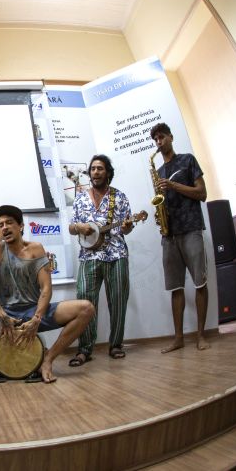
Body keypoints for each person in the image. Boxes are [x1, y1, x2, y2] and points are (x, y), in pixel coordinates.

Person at [0, 205, 95, 384]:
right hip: (3, 315)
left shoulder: (36, 249)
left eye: (9, 222)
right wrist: (1, 315)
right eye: (1, 225)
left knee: (86, 308)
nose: (5, 227)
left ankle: (47, 360)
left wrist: (37, 317)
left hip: (32, 313)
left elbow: (46, 287)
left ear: (21, 226)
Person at [68, 155, 136, 366]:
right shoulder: (80, 198)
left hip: (116, 255)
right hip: (89, 256)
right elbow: (72, 227)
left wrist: (126, 227)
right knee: (85, 302)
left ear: (108, 173)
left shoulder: (120, 197)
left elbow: (128, 225)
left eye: (100, 168)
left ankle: (116, 345)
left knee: (117, 300)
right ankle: (85, 349)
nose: (96, 172)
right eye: (93, 168)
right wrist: (80, 227)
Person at [149, 123, 210, 353]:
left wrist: (173, 184)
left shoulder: (187, 160)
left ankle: (201, 336)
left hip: (191, 228)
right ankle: (178, 338)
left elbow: (202, 194)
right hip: (170, 234)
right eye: (155, 139)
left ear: (171, 137)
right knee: (175, 288)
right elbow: (162, 200)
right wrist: (160, 216)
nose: (158, 142)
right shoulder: (159, 171)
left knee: (200, 283)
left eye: (161, 137)